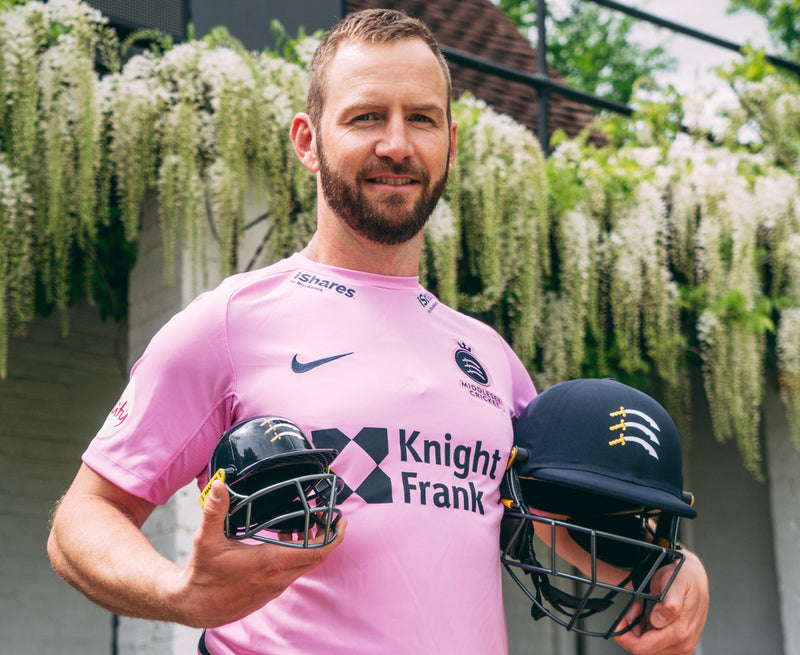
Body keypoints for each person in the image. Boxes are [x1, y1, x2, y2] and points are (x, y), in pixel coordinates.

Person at [47, 8, 708, 655]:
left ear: (449, 144)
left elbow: (567, 521)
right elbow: (82, 519)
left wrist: (668, 566)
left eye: (420, 118)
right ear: (307, 141)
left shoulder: (491, 359)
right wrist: (180, 592)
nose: (397, 144)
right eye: (367, 116)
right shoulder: (229, 323)